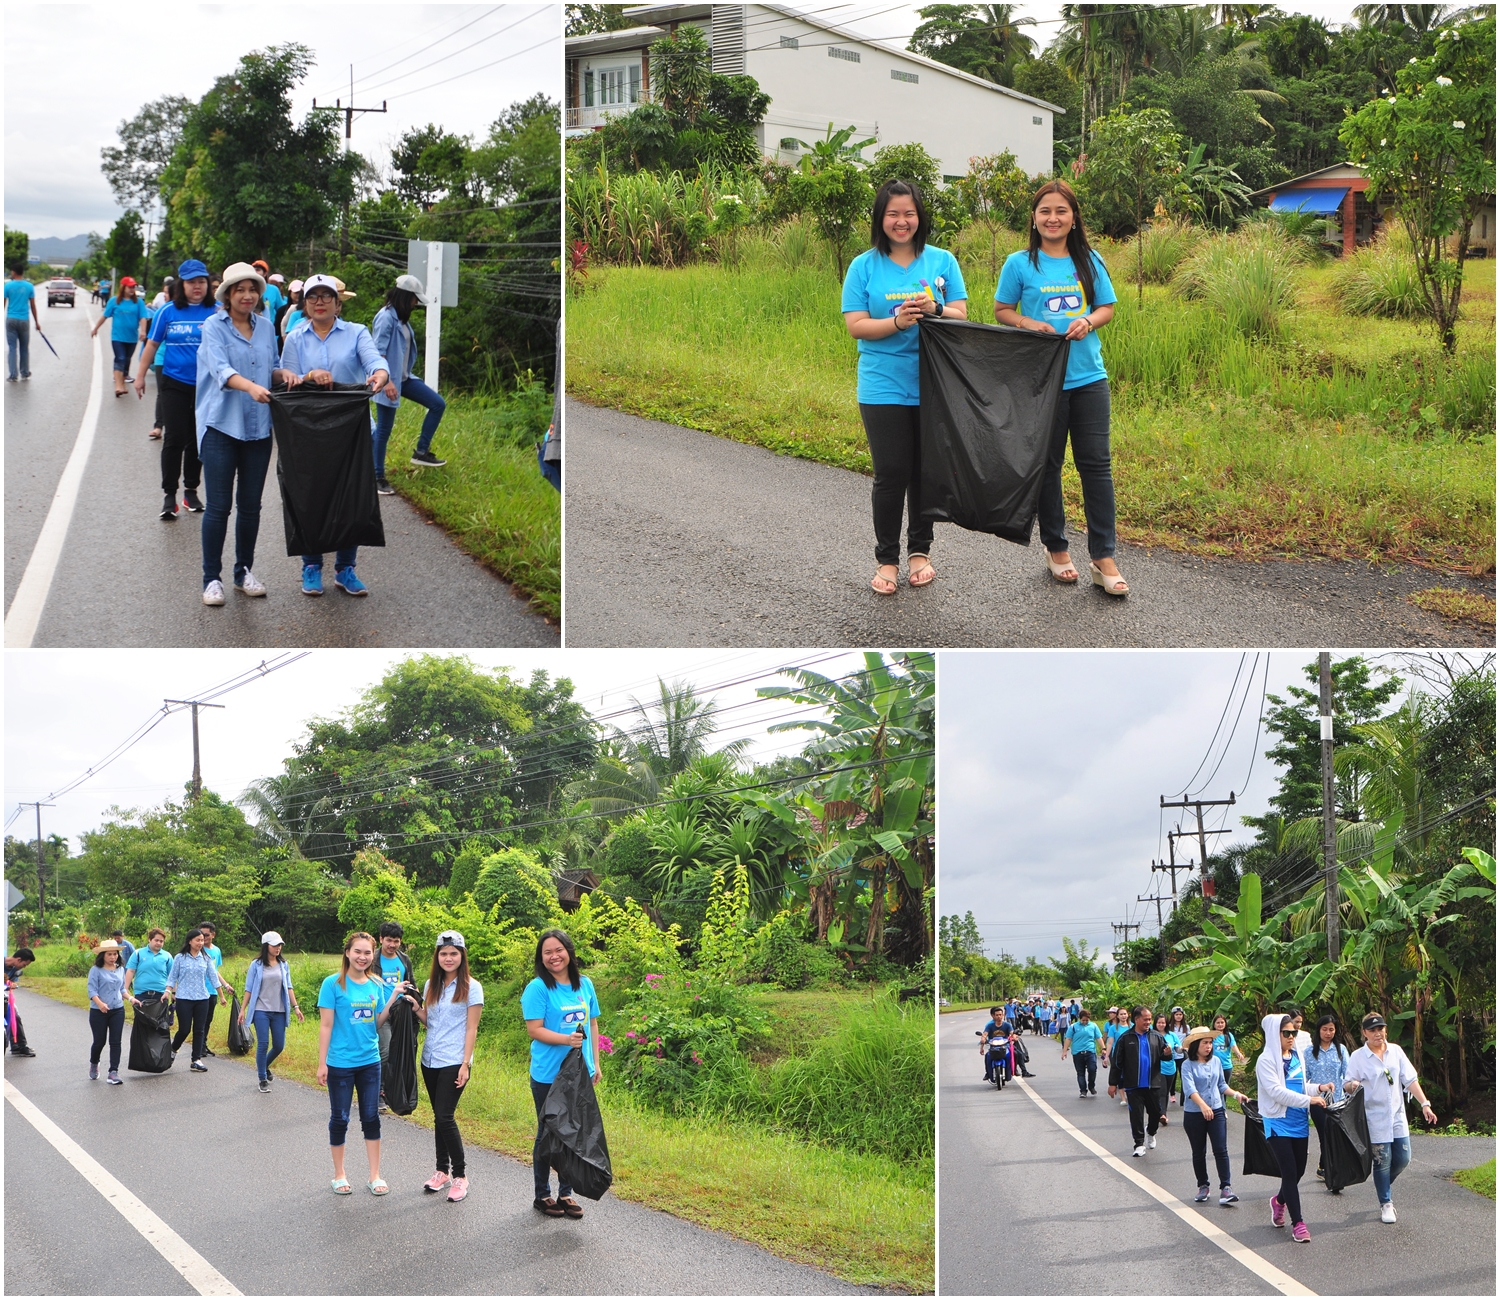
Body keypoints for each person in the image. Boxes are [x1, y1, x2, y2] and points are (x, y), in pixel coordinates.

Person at [995, 180, 1125, 595]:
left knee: (1096, 467)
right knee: (1047, 467)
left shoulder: (1090, 260)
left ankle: (1104, 557)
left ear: (1073, 218)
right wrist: (1027, 323)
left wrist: (1089, 320)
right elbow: (1002, 310)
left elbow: (1106, 307)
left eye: (1061, 211)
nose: (1053, 218)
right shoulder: (1019, 263)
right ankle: (1056, 548)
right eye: (1045, 211)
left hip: (1089, 378)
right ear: (1034, 218)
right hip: (1040, 384)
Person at [841, 179, 968, 595]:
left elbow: (962, 315)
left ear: (920, 217)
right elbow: (856, 325)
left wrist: (934, 309)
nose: (902, 221)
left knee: (925, 472)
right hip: (882, 383)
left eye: (909, 213)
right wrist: (897, 322)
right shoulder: (863, 266)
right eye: (893, 214)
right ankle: (887, 560)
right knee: (891, 472)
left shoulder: (942, 261)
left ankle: (920, 553)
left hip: (933, 382)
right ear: (881, 218)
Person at [277, 273, 390, 597]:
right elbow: (289, 380)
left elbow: (374, 362)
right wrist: (309, 375)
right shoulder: (296, 337)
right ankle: (311, 565)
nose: (320, 302)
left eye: (327, 296)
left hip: (352, 430)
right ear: (305, 304)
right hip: (308, 432)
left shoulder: (357, 333)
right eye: (313, 297)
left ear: (338, 303)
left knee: (351, 497)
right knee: (311, 496)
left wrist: (381, 374)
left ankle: (346, 568)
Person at [196, 261, 294, 605]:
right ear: (227, 295)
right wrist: (251, 386)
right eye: (240, 290)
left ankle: (243, 572)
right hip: (221, 426)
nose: (248, 295)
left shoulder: (267, 327)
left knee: (251, 506)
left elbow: (274, 367)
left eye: (253, 289)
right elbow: (221, 370)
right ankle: (212, 579)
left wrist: (294, 376)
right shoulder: (213, 326)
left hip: (258, 428)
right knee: (219, 507)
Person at [316, 931, 412, 1196]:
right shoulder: (333, 984)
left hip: (370, 1062)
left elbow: (378, 1022)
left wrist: (393, 996)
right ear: (347, 952)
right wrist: (322, 1063)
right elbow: (326, 1026)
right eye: (357, 951)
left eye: (367, 952)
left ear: (373, 955)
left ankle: (375, 1175)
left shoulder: (376, 984)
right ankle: (339, 1174)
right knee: (340, 1118)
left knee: (371, 1117)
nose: (362, 957)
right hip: (340, 1063)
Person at [522, 929, 600, 1220]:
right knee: (548, 1133)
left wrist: (595, 1064)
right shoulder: (538, 988)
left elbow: (591, 1025)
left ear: (569, 951)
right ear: (541, 958)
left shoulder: (585, 985)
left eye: (559, 950)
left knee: (575, 1133)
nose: (554, 956)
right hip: (548, 1074)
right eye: (547, 952)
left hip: (579, 1073)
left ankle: (566, 1193)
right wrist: (566, 1039)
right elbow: (535, 1029)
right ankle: (542, 1194)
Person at [1343, 1012, 1437, 1224]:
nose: (1378, 1033)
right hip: (1373, 1117)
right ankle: (1386, 1202)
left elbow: (1409, 1079)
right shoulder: (1358, 1056)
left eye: (1381, 1028)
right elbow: (1346, 1084)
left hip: (1396, 1115)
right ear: (1364, 1033)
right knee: (1382, 1161)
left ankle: (1382, 1183)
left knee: (1403, 1158)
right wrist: (1353, 1085)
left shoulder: (1395, 1051)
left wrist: (1425, 1104)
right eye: (1373, 1030)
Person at [137, 261, 214, 521]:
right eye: (192, 282)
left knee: (197, 439)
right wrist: (139, 376)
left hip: (206, 386)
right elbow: (152, 344)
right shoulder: (168, 311)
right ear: (182, 285)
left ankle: (190, 490)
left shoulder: (216, 311)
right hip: (174, 382)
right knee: (174, 438)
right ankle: (169, 495)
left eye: (201, 281)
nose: (197, 286)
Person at [412, 929, 484, 1202]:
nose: (448, 958)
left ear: (462, 956)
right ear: (437, 956)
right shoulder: (432, 985)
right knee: (438, 1117)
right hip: (430, 1058)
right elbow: (431, 1022)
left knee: (445, 1117)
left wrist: (466, 1064)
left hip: (455, 1061)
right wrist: (415, 1008)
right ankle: (441, 1171)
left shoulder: (472, 987)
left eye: (454, 953)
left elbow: (471, 1029)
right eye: (443, 953)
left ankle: (460, 1176)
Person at [370, 275, 448, 495]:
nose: (416, 303)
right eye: (414, 299)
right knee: (384, 429)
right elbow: (378, 351)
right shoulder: (386, 318)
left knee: (437, 404)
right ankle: (377, 477)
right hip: (387, 381)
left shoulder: (400, 318)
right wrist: (386, 382)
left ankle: (421, 451)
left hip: (403, 378)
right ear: (406, 296)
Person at [1255, 1012, 1327, 1243]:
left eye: (1294, 1033)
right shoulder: (1265, 1061)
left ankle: (1279, 1201)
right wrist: (1309, 1101)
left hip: (1299, 1121)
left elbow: (1299, 1085)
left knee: (1298, 1171)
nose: (1291, 1037)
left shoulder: (1297, 1056)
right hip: (1277, 1121)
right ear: (1274, 1034)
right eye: (1286, 1033)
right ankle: (1298, 1223)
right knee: (1288, 1171)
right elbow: (1276, 1091)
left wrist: (1317, 1088)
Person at [1180, 1026, 1250, 1205]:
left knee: (1221, 1149)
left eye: (1210, 1043)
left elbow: (1221, 1085)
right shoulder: (1187, 1065)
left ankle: (1226, 1188)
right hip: (1194, 1113)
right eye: (1205, 1043)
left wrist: (1236, 1095)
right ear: (1196, 1045)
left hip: (1217, 1110)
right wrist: (1203, 1106)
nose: (1209, 1046)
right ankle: (1203, 1186)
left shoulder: (1217, 1061)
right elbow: (1189, 1089)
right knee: (1199, 1151)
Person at [240, 931, 304, 1093]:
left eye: (280, 945)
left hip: (279, 1011)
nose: (278, 948)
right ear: (266, 946)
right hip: (261, 1010)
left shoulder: (284, 965)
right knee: (263, 1044)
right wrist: (242, 1010)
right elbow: (248, 989)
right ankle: (262, 1078)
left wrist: (296, 1007)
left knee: (279, 1045)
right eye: (275, 945)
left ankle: (264, 1065)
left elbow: (289, 987)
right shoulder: (256, 965)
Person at [165, 927, 227, 1071]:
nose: (200, 943)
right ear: (190, 941)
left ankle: (196, 1060)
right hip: (184, 998)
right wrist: (168, 992)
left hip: (202, 998)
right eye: (197, 940)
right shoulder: (180, 957)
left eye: (202, 940)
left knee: (199, 1030)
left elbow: (213, 977)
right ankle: (173, 1049)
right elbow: (172, 977)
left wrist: (222, 996)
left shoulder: (206, 958)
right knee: (184, 1029)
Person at [1107, 1005, 1165, 1156]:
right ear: (1136, 1019)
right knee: (1136, 1115)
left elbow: (1165, 1056)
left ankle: (1151, 1132)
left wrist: (1168, 1053)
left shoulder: (1157, 1037)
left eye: (1149, 1019)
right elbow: (1117, 1063)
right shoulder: (1126, 1038)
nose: (1148, 1022)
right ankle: (1139, 1143)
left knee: (1156, 1113)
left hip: (1153, 1084)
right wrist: (1112, 1083)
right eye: (1145, 1019)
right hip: (1133, 1085)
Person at [373, 922, 417, 1112]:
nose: (392, 944)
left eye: (396, 941)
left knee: (400, 1051)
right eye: (389, 940)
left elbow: (412, 983)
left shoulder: (404, 959)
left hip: (401, 1010)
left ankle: (394, 1090)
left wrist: (417, 1006)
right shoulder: (373, 960)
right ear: (381, 939)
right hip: (381, 1011)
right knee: (385, 1050)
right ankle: (378, 1092)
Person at [1304, 1013, 1350, 1186]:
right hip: (1317, 1101)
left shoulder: (1341, 1050)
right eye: (1325, 1029)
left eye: (1331, 1029)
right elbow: (1304, 1078)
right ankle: (1330, 1169)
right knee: (1325, 1134)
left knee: (1336, 1135)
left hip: (1338, 1101)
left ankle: (1325, 1166)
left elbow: (1348, 1073)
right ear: (1319, 1030)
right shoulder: (1308, 1052)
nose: (1328, 1033)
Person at [91, 276, 152, 397]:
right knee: (120, 358)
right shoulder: (114, 301)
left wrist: (143, 331)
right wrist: (95, 328)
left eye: (133, 287)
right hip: (117, 337)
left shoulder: (138, 302)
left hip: (132, 337)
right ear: (123, 287)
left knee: (127, 360)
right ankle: (118, 386)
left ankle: (122, 383)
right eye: (129, 287)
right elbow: (105, 316)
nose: (132, 289)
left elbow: (143, 317)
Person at [88, 940, 132, 1083]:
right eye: (109, 954)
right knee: (99, 1041)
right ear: (103, 955)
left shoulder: (120, 969)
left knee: (116, 1041)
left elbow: (122, 989)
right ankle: (94, 1062)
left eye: (115, 954)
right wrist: (100, 1004)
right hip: (98, 1011)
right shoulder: (95, 970)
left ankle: (113, 1072)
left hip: (117, 1010)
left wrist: (131, 999)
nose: (113, 957)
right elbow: (92, 990)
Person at [197, 922, 229, 1052]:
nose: (204, 938)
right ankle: (199, 1046)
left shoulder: (216, 951)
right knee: (200, 1020)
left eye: (206, 935)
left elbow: (215, 971)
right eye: (201, 934)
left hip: (212, 990)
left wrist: (225, 985)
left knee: (208, 1019)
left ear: (213, 935)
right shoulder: (197, 949)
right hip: (198, 990)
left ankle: (203, 1045)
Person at [6, 264, 39, 382]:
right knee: (24, 347)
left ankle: (13, 374)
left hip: (11, 320)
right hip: (24, 320)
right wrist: (37, 322)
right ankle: (24, 372)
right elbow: (33, 306)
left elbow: (3, 304)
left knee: (12, 347)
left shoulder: (8, 286)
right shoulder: (29, 286)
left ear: (14, 272)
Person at [123, 928, 172, 1007]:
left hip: (161, 995)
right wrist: (125, 989)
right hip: (141, 994)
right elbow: (131, 971)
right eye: (156, 940)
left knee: (160, 1019)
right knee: (141, 1019)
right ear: (149, 939)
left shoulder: (167, 956)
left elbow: (172, 975)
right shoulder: (138, 953)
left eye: (161, 941)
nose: (159, 943)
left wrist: (173, 993)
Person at [1062, 1006, 1103, 1097]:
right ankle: (1083, 1090)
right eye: (1083, 1020)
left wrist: (1103, 1048)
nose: (1084, 1022)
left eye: (1086, 1020)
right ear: (1079, 1019)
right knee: (1080, 1072)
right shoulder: (1073, 1027)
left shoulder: (1093, 1026)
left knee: (1092, 1069)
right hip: (1077, 1053)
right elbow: (1068, 1039)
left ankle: (1091, 1086)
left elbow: (1098, 1038)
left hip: (1090, 1051)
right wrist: (1064, 1051)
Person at [5, 947, 37, 1056]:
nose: (24, 967)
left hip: (3, 996)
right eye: (24, 965)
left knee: (14, 1015)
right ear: (18, 960)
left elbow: (11, 983)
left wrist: (12, 985)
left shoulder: (15, 970)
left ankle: (19, 1046)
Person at [1153, 1011, 1180, 1121]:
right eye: (1159, 1022)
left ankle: (1162, 1111)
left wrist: (1183, 1049)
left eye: (1163, 1023)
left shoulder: (1172, 1035)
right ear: (1155, 1023)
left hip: (1171, 1067)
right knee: (1162, 1091)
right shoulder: (1152, 1035)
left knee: (1166, 1091)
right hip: (1158, 1067)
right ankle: (1162, 1115)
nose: (1161, 1025)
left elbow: (1177, 1047)